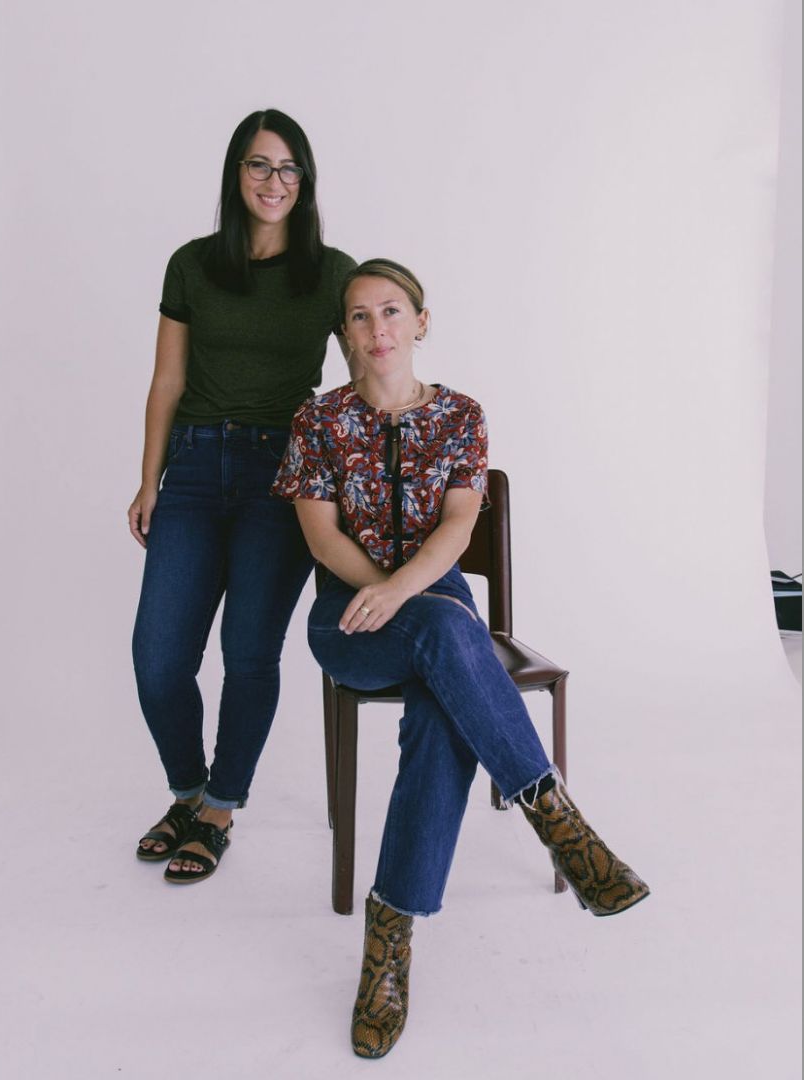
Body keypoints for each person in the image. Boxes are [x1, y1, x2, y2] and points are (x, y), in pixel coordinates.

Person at [272, 259, 650, 1059]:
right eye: (360, 316)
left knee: (443, 689)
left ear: (421, 321)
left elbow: (458, 523)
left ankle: (388, 944)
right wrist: (384, 593)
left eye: (392, 310)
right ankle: (557, 819)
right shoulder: (318, 421)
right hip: (350, 617)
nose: (378, 328)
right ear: (345, 335)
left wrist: (406, 589)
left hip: (435, 607)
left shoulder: (462, 416)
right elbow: (322, 538)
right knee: (449, 638)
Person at [129, 109, 356, 885]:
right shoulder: (192, 265)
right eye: (260, 164)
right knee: (158, 657)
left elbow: (367, 372)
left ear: (306, 181)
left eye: (290, 168)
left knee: (248, 653)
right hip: (193, 468)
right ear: (237, 173)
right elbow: (167, 380)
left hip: (282, 477)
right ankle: (188, 792)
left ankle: (220, 809)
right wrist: (149, 479)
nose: (274, 181)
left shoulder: (330, 273)